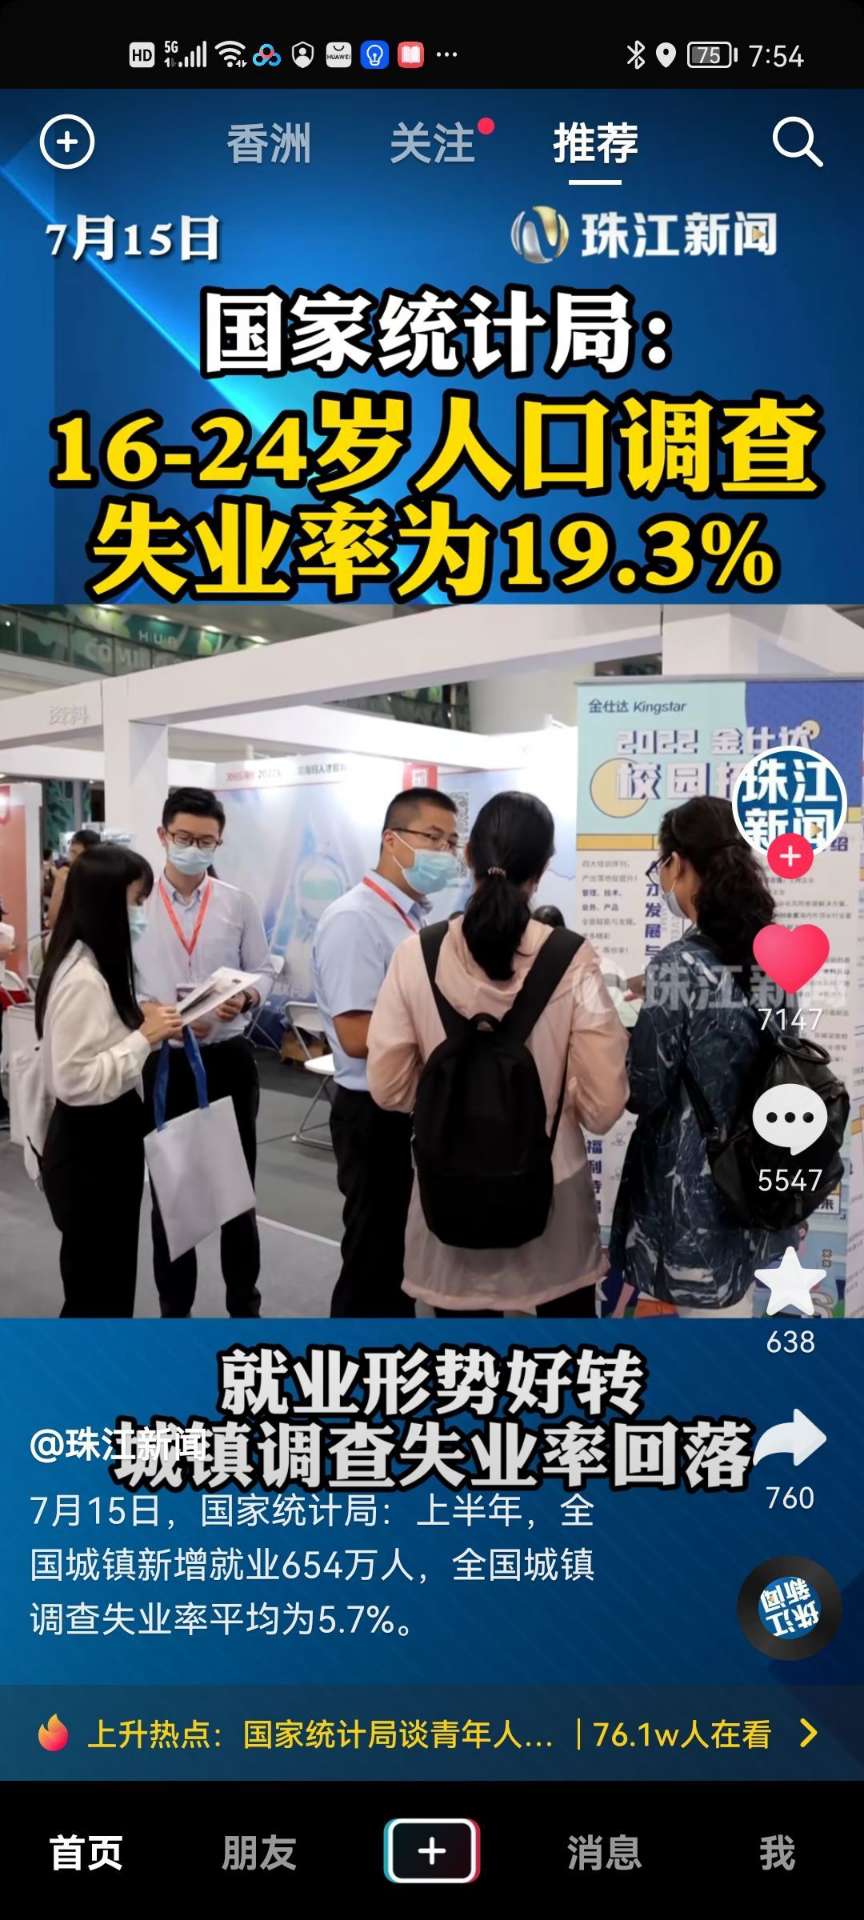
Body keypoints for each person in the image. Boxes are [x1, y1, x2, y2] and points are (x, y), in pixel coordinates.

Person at [367, 791, 629, 1316]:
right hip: (552, 1197)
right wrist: (555, 1098)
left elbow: (389, 1087)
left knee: (467, 1353)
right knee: (566, 1353)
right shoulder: (572, 958)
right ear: (544, 867)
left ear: (468, 856)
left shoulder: (416, 954)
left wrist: (455, 1102)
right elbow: (603, 1107)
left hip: (448, 1192)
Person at [609, 794, 793, 1317]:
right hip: (758, 1183)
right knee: (730, 1326)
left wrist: (627, 1033)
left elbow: (646, 1091)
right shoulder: (776, 954)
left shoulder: (678, 965)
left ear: (678, 862)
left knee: (684, 1349)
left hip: (690, 1202)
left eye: (661, 865)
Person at [312, 785, 461, 1317]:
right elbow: (355, 1035)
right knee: (373, 1258)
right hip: (372, 1112)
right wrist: (444, 1034)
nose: (445, 852)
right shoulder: (356, 918)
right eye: (433, 838)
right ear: (392, 840)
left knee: (399, 1254)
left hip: (406, 1105)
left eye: (451, 842)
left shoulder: (411, 916)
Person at [134, 786, 274, 1318]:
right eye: (184, 837)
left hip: (227, 1059)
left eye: (206, 841)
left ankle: (244, 1306)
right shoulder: (137, 906)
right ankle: (176, 1312)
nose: (194, 848)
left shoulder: (237, 902)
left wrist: (247, 997)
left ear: (220, 842)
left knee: (238, 1193)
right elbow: (122, 983)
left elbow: (262, 968)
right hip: (165, 1063)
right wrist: (148, 1013)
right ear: (163, 835)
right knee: (171, 1196)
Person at [34, 844, 182, 1317]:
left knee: (105, 1279)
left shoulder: (93, 965)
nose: (141, 915)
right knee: (97, 1288)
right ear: (105, 903)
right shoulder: (83, 978)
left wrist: (140, 1022)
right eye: (135, 901)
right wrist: (143, 1038)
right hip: (91, 1149)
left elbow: (96, 1044)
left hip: (105, 1142)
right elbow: (74, 1080)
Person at [45, 827, 101, 932]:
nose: (70, 858)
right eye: (71, 852)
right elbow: (52, 920)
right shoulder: (66, 876)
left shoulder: (98, 883)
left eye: (75, 853)